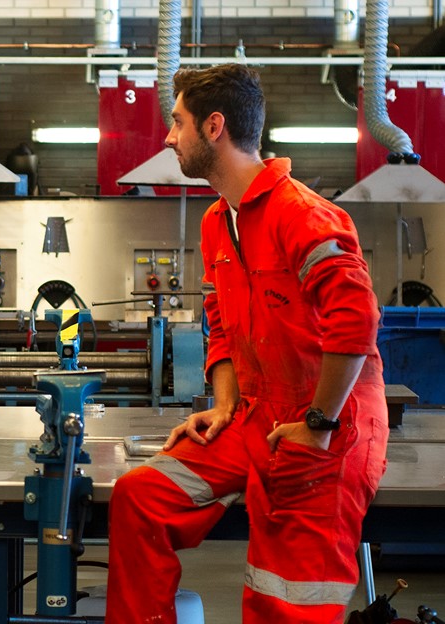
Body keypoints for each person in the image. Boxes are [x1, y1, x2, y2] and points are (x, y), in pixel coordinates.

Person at [105, 64, 388, 623]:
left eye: (176, 122)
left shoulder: (302, 216)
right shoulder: (218, 222)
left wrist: (319, 423)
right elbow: (222, 320)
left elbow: (355, 321)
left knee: (285, 596)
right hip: (255, 414)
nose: (167, 137)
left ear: (214, 127)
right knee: (140, 497)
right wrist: (226, 403)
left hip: (328, 424)